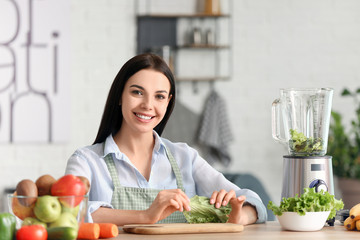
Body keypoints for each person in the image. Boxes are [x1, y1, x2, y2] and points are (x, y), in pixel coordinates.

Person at [65, 53, 267, 225]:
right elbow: (71, 212)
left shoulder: (184, 157)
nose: (147, 105)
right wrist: (145, 216)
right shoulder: (86, 161)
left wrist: (238, 216)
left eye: (159, 96)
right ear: (120, 96)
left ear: (168, 101)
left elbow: (253, 201)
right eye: (137, 92)